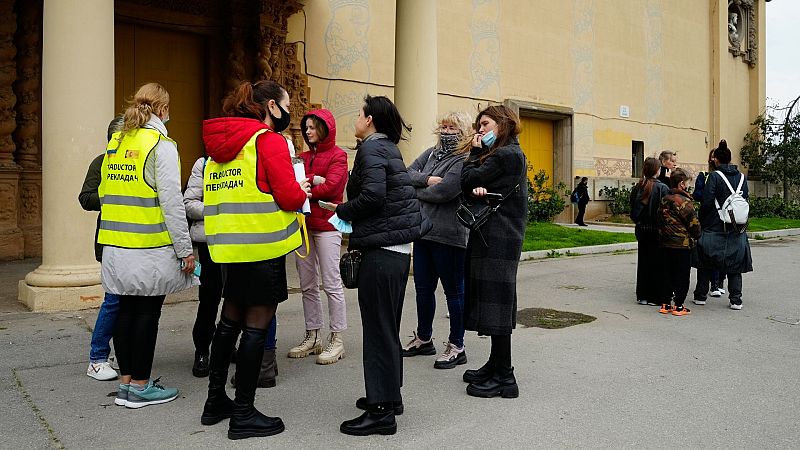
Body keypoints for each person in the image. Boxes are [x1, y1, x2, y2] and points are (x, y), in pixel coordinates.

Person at [199, 80, 310, 440]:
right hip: (262, 248)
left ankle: (216, 401)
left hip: (229, 249)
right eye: (286, 104)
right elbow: (290, 197)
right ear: (271, 107)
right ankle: (243, 413)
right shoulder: (268, 141)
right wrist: (302, 188)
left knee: (229, 320)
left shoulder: (222, 145)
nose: (288, 111)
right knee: (256, 327)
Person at [332, 95, 430, 436]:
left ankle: (380, 413)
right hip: (397, 251)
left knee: (377, 330)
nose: (356, 120)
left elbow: (373, 196)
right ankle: (390, 396)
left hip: (383, 252)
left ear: (370, 119)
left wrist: (341, 212)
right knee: (386, 326)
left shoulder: (371, 149)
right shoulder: (388, 148)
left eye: (359, 114)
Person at [98, 83, 194, 408]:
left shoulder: (117, 141)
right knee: (147, 314)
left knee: (124, 311)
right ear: (163, 109)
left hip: (115, 245)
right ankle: (141, 386)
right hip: (147, 247)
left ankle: (126, 384)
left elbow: (103, 193)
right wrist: (185, 250)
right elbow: (171, 203)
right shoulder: (160, 144)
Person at [183, 156, 279, 387]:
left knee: (237, 299)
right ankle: (202, 351)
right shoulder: (204, 164)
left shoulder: (245, 160)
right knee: (209, 297)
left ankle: (228, 349)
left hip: (239, 240)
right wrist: (219, 210)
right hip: (211, 241)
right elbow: (189, 203)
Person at [460, 105, 528, 399]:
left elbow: (465, 180)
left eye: (484, 124)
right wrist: (477, 182)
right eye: (478, 125)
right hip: (496, 234)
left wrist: (474, 157)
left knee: (497, 303)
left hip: (499, 237)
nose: (479, 130)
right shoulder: (506, 154)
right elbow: (473, 185)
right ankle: (495, 363)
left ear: (502, 124)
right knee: (493, 301)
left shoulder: (506, 155)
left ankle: (505, 376)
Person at [403, 111, 471, 369]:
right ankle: (424, 338)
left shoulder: (463, 158)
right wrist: (427, 180)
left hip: (450, 236)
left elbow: (446, 191)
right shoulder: (432, 153)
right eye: (443, 126)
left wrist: (417, 190)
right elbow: (406, 174)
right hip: (423, 233)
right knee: (423, 290)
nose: (446, 130)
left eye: (452, 127)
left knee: (454, 292)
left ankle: (457, 344)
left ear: (462, 130)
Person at [288, 108, 349, 365]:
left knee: (332, 283)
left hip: (327, 227)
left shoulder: (339, 155)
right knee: (307, 284)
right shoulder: (301, 157)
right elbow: (292, 184)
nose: (309, 132)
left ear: (325, 129)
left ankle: (337, 338)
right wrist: (314, 180)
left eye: (313, 127)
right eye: (307, 128)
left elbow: (333, 187)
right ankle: (313, 335)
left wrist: (308, 185)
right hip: (303, 225)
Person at [80, 116, 124, 381]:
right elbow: (85, 198)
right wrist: (110, 197)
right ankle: (97, 358)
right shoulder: (101, 162)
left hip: (135, 239)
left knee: (129, 302)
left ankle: (123, 353)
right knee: (114, 299)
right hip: (109, 239)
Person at [694, 140, 752, 310]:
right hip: (736, 226)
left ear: (716, 160)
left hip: (714, 225)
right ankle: (736, 299)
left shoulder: (714, 176)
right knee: (735, 264)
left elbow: (706, 202)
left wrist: (702, 221)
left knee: (705, 261)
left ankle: (700, 296)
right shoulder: (742, 177)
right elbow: (745, 199)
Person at [657, 168, 701, 316]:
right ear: (682, 184)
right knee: (682, 275)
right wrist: (697, 235)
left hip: (665, 242)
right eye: (688, 183)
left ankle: (665, 303)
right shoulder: (684, 202)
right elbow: (693, 224)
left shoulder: (664, 199)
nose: (689, 186)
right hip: (682, 244)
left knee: (666, 273)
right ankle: (679, 306)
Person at [630, 157, 669, 306]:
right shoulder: (662, 188)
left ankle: (643, 295)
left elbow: (633, 211)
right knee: (658, 264)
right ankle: (655, 296)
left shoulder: (638, 186)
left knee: (644, 262)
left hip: (642, 230)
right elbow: (666, 211)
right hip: (657, 231)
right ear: (657, 170)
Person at [692, 150, 726, 305]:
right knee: (707, 253)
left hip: (723, 218)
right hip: (710, 218)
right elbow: (698, 195)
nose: (713, 159)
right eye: (711, 157)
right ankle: (710, 286)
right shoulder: (704, 175)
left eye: (715, 157)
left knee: (719, 253)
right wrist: (708, 192)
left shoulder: (727, 176)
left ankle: (717, 283)